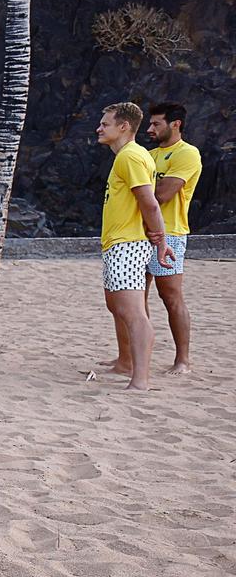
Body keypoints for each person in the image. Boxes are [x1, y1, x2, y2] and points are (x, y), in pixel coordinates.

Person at [93, 102, 174, 391]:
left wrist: (161, 240)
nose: (99, 128)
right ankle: (125, 362)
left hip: (128, 244)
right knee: (116, 305)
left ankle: (140, 379)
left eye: (105, 124)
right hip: (118, 243)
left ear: (123, 126)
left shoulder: (130, 156)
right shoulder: (127, 157)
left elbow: (150, 202)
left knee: (133, 312)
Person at [143, 101, 200, 375]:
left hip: (171, 233)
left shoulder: (187, 154)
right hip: (138, 233)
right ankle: (134, 356)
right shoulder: (147, 155)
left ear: (175, 124)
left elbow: (162, 195)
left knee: (171, 296)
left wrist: (140, 190)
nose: (150, 128)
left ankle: (183, 360)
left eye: (157, 123)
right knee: (134, 296)